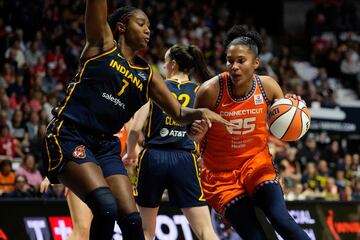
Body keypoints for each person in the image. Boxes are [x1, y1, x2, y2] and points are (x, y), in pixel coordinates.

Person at [41, 2, 230, 239]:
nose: (148, 30)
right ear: (121, 26)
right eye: (141, 24)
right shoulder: (102, 45)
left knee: (132, 221)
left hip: (106, 146)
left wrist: (201, 112)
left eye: (149, 26)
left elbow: (180, 114)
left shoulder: (148, 73)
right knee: (106, 207)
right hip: (69, 134)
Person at [189, 25, 310, 240]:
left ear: (256, 63)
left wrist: (294, 106)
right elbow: (190, 137)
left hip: (256, 164)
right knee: (255, 237)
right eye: (229, 60)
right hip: (220, 176)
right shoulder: (209, 91)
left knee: (281, 219)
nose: (233, 66)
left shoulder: (269, 87)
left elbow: (283, 125)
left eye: (241, 61)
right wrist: (194, 136)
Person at [123, 44, 218, 240]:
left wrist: (131, 151)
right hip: (185, 159)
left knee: (146, 232)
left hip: (153, 158)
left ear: (172, 64)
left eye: (165, 63)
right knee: (205, 231)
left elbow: (134, 129)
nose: (164, 67)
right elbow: (209, 130)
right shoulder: (200, 91)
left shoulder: (156, 86)